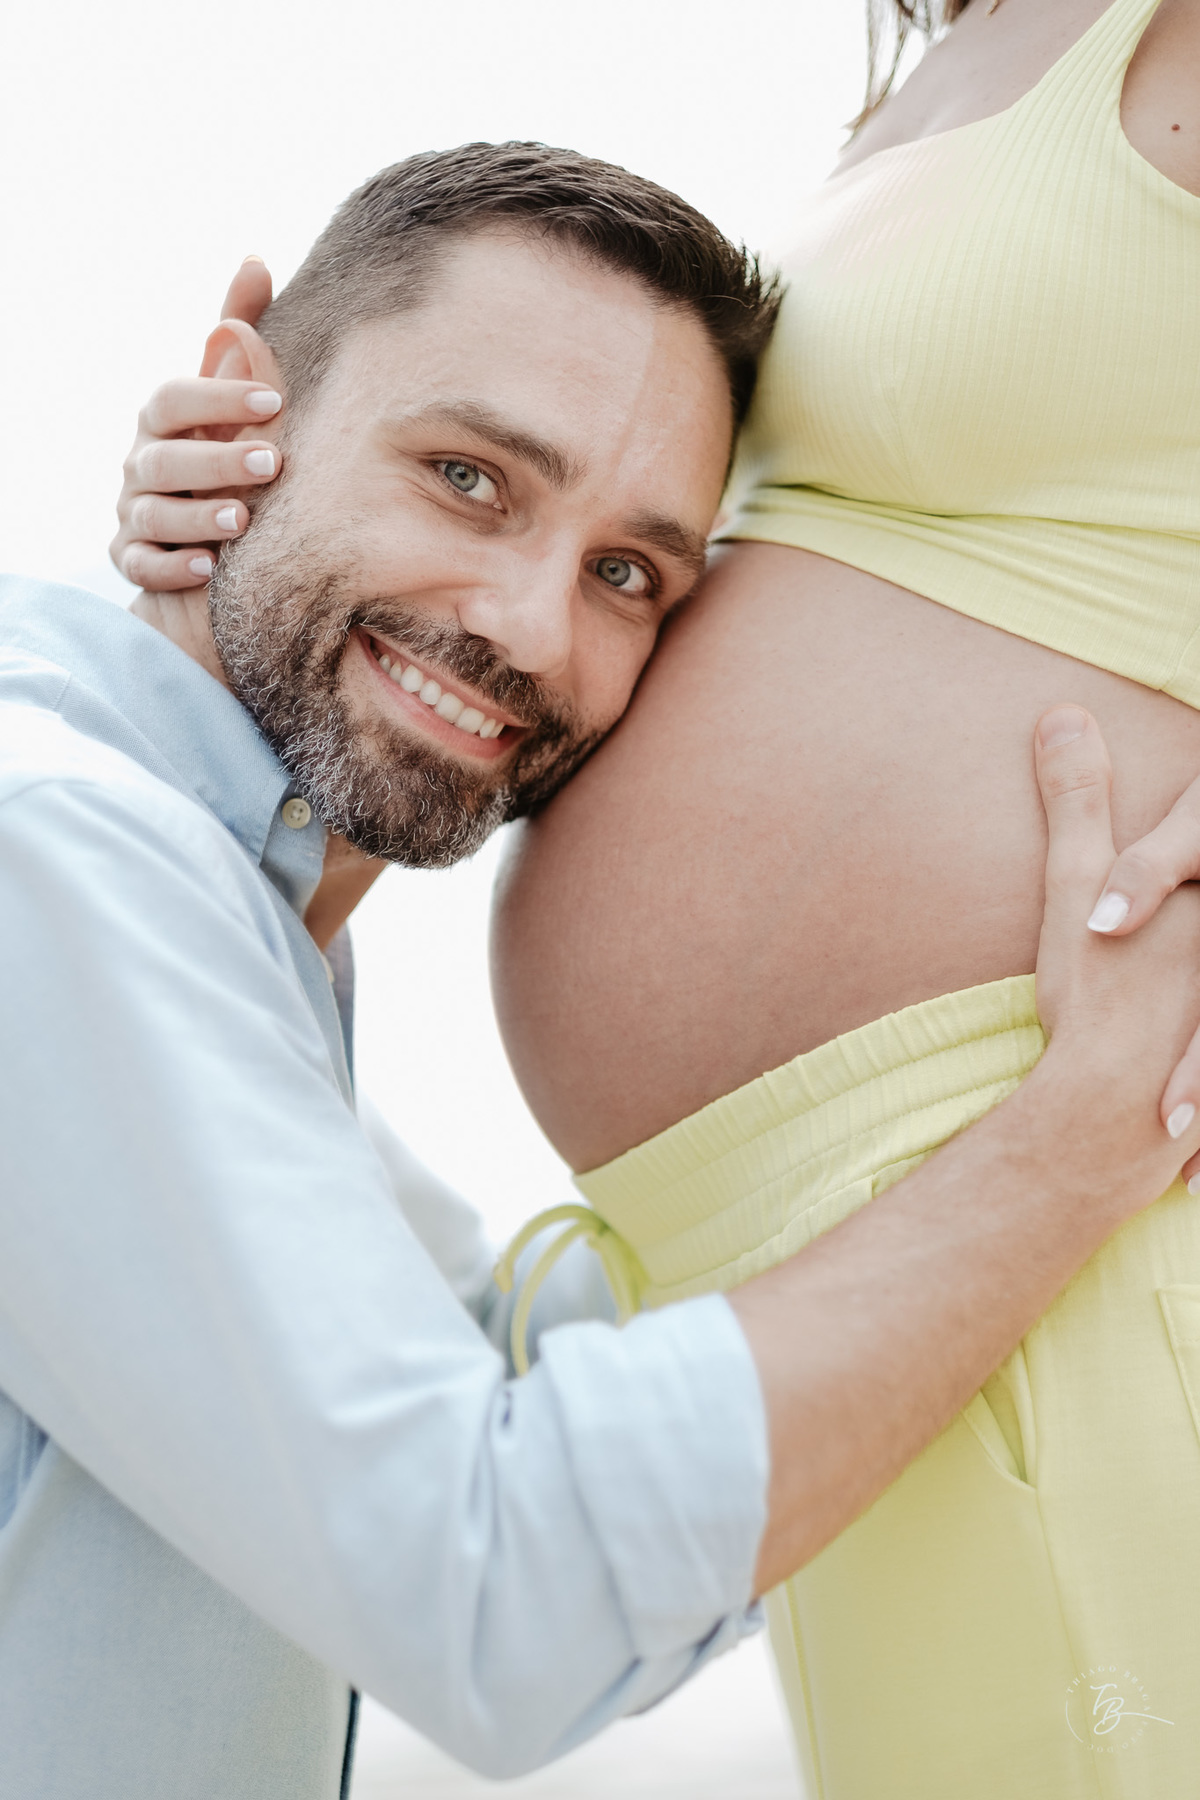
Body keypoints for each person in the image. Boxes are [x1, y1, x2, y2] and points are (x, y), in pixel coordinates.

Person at [105, 99, 1196, 1800]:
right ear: (243, 405)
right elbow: (490, 1586)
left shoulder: (201, 909)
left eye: (633, 573)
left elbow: (477, 1354)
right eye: (467, 476)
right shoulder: (66, 866)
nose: (534, 630)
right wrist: (1061, 1151)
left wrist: (868, 1175)